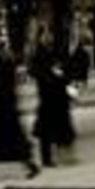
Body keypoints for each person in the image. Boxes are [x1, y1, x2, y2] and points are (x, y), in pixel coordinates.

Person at [0, 47, 38, 181]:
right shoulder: (8, 78)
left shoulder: (3, 80)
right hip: (8, 117)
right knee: (13, 145)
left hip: (2, 118)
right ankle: (29, 165)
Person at [30, 32, 76, 167]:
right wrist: (51, 76)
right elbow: (37, 72)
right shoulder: (40, 55)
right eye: (46, 38)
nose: (48, 40)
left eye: (49, 38)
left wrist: (62, 76)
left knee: (55, 129)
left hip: (56, 97)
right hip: (48, 97)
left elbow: (65, 69)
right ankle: (48, 158)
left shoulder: (54, 53)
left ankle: (56, 155)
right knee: (47, 131)